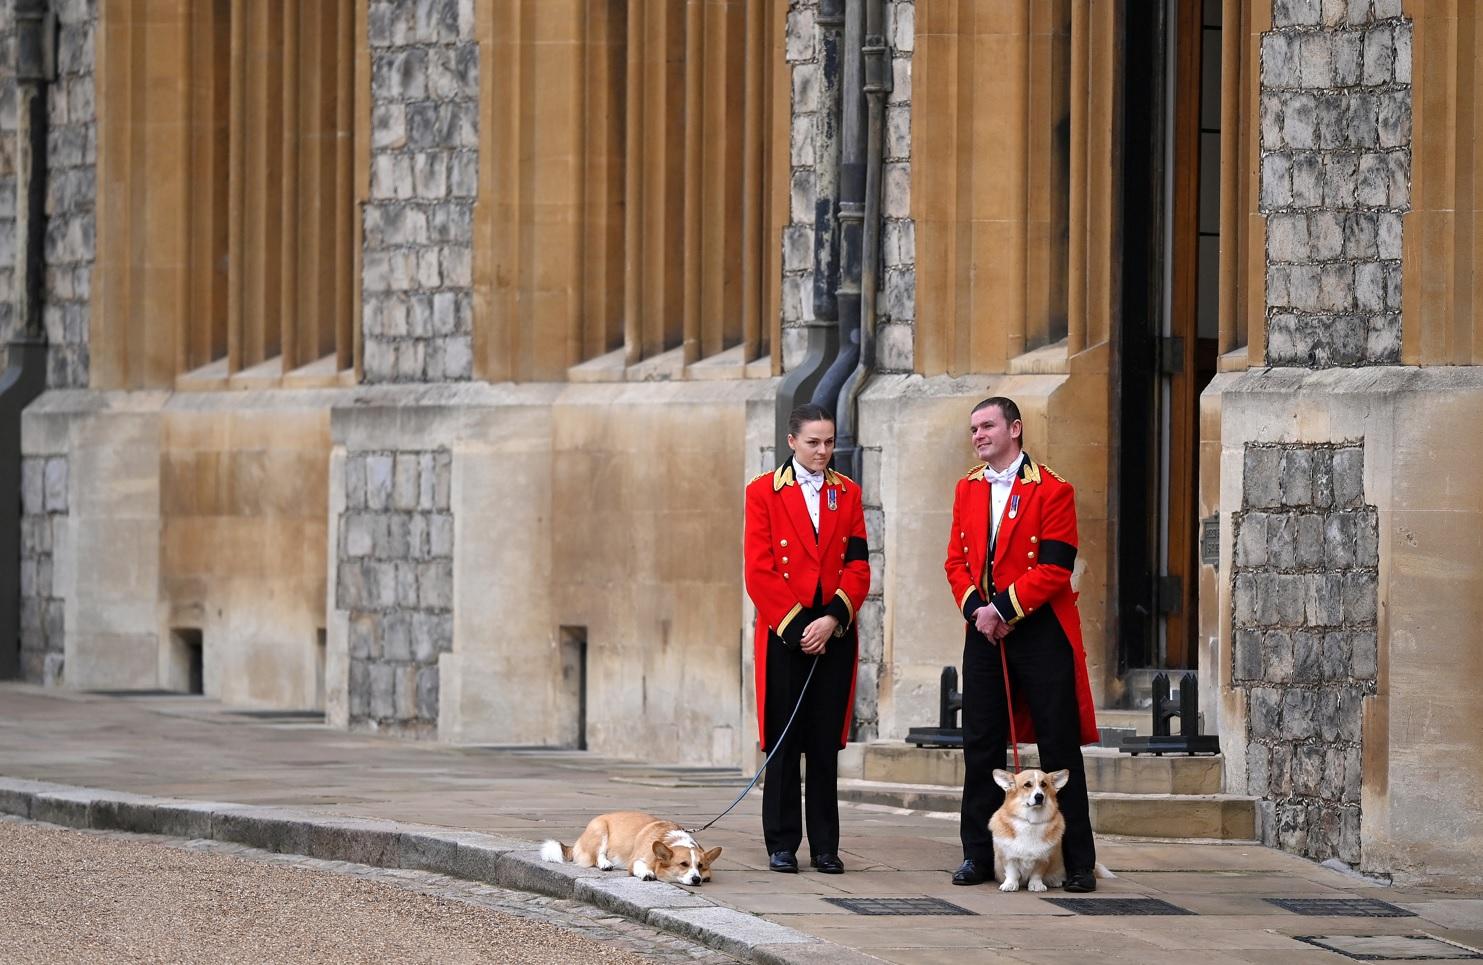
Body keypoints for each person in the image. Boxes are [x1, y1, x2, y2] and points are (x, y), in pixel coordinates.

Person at [943, 397, 1101, 891]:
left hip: (1039, 630)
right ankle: (975, 855)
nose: (978, 435)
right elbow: (955, 563)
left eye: (987, 425)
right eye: (973, 429)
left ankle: (1076, 863)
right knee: (980, 746)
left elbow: (1056, 566)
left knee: (1058, 747)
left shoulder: (1053, 489)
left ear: (1015, 428)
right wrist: (979, 613)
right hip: (984, 632)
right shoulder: (967, 488)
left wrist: (1004, 611)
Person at [743, 404, 871, 875]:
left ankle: (824, 846)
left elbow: (859, 564)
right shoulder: (763, 492)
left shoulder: (848, 494)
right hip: (785, 633)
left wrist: (832, 618)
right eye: (814, 442)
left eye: (829, 441)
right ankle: (781, 843)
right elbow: (758, 571)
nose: (823, 451)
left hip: (833, 631)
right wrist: (799, 629)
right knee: (783, 741)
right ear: (792, 441)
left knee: (822, 743)